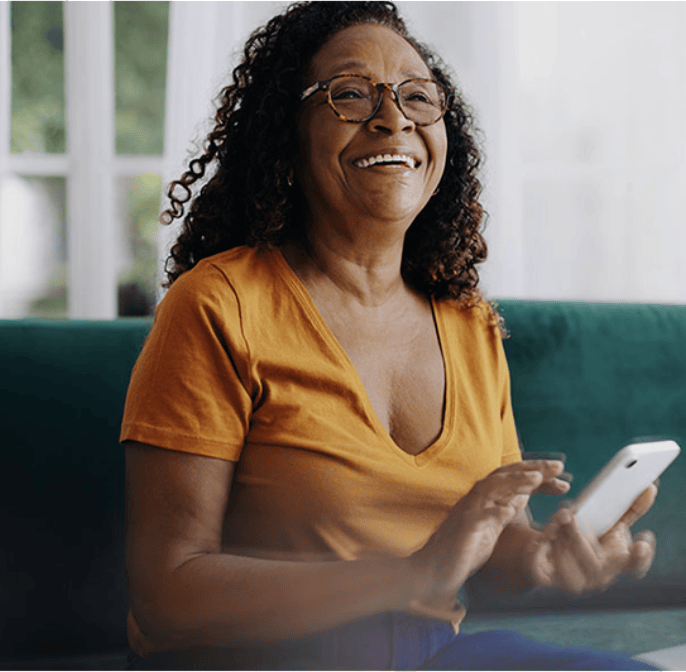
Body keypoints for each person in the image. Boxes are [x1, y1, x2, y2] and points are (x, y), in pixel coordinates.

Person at [121, 3, 658, 669]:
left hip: (431, 655)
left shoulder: (467, 321)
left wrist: (545, 554)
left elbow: (492, 553)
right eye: (348, 94)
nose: (392, 117)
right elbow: (165, 593)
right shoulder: (218, 303)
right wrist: (410, 573)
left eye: (417, 96)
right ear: (284, 133)